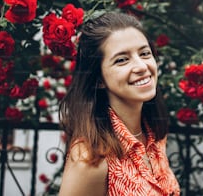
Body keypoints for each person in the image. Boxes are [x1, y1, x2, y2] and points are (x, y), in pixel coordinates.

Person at [58, 12, 180, 196]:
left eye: (145, 53)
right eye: (122, 60)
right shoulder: (91, 158)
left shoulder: (154, 137)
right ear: (99, 79)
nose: (141, 66)